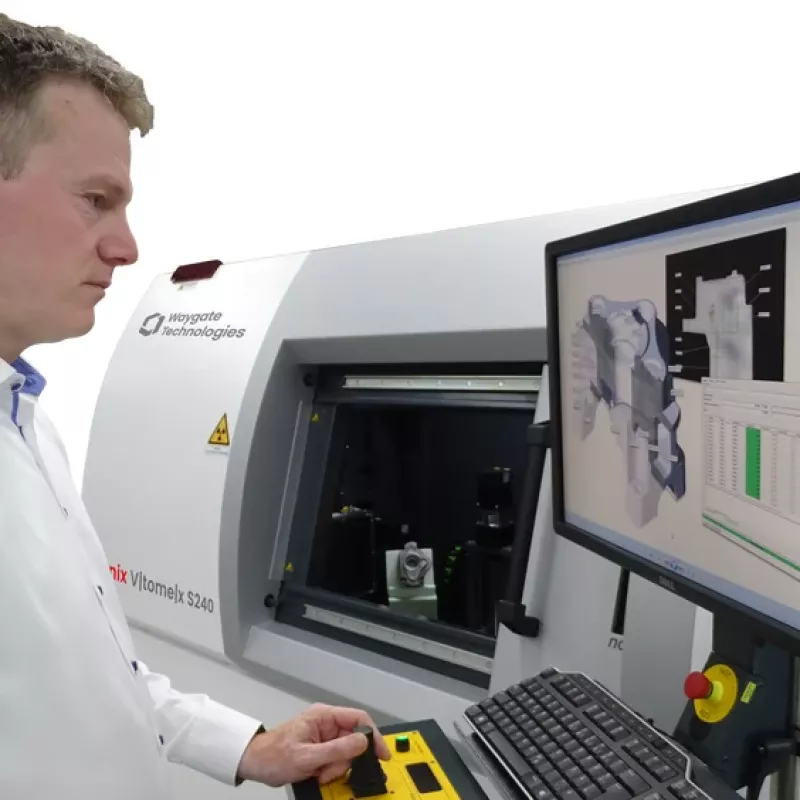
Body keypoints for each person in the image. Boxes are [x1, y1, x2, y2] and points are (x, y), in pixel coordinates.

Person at [0, 13, 390, 799]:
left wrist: (252, 745)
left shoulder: (27, 420)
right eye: (95, 199)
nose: (127, 247)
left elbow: (99, 677)